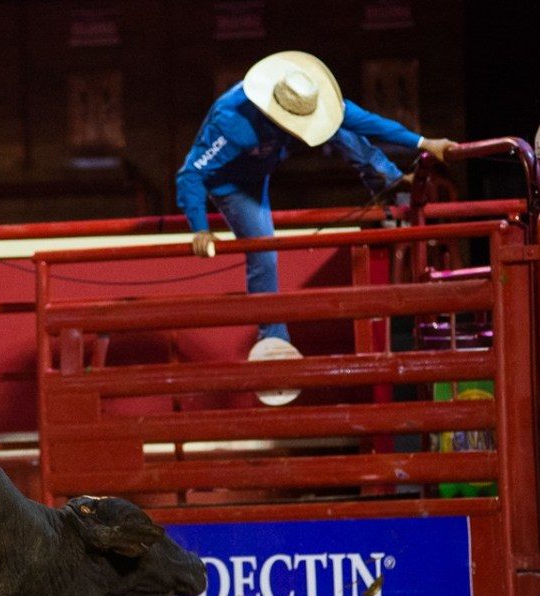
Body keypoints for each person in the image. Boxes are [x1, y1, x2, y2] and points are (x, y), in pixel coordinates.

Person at [176, 50, 455, 404]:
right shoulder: (231, 121)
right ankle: (273, 340)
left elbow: (367, 121)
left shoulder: (313, 99)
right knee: (264, 253)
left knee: (341, 127)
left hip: (264, 157)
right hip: (233, 183)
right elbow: (192, 173)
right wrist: (199, 228)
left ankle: (384, 179)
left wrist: (423, 142)